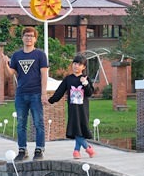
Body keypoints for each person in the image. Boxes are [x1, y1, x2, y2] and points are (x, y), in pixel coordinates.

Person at [8, 27, 48, 161]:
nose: (28, 38)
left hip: (36, 93)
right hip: (21, 94)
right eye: (26, 35)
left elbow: (44, 75)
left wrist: (43, 93)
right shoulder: (16, 55)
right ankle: (22, 150)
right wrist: (3, 62)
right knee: (21, 123)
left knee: (38, 122)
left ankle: (39, 149)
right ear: (22, 38)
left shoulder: (40, 55)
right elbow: (10, 73)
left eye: (31, 36)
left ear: (35, 39)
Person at [48, 55, 96, 159]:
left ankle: (79, 150)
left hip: (83, 110)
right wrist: (50, 100)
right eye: (75, 63)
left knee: (80, 130)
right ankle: (85, 149)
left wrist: (85, 84)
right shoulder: (68, 79)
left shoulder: (85, 79)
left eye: (79, 64)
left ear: (83, 67)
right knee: (76, 129)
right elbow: (60, 91)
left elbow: (90, 93)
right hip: (73, 110)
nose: (76, 66)